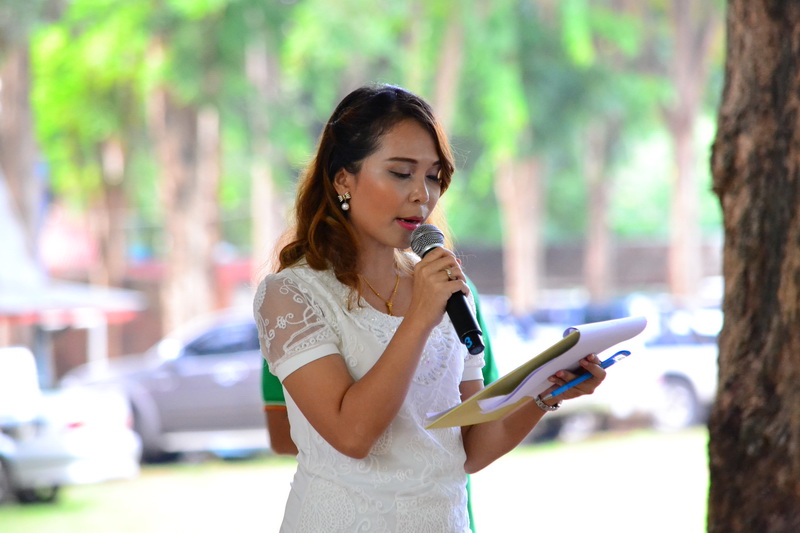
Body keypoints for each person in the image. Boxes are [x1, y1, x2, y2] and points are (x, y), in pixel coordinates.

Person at [253, 83, 607, 532]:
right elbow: (352, 435)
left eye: (435, 176)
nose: (422, 195)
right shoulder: (290, 294)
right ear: (343, 179)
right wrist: (420, 316)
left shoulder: (447, 289)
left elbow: (471, 448)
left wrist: (546, 393)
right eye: (401, 173)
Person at [261, 277, 499, 531]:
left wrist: (532, 396)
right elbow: (347, 437)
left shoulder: (452, 285)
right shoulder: (292, 291)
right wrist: (420, 315)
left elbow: (473, 443)